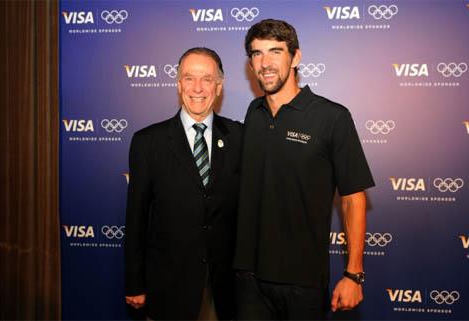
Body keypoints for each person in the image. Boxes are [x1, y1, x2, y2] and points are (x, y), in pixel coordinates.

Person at [234, 19, 375, 320]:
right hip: (248, 280)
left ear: (296, 57)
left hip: (303, 283)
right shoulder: (253, 114)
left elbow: (353, 197)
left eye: (275, 51)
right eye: (257, 54)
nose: (265, 63)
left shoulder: (332, 117)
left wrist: (354, 274)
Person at [124, 47, 242, 320]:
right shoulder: (148, 142)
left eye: (207, 79)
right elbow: (136, 218)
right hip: (167, 288)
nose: (198, 88)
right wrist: (134, 282)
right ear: (178, 85)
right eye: (189, 78)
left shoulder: (240, 137)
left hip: (224, 290)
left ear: (219, 86)